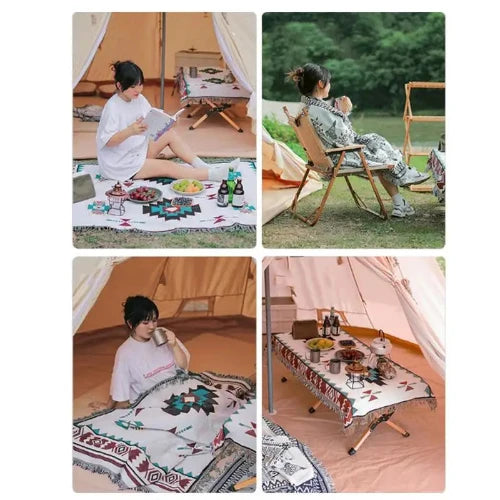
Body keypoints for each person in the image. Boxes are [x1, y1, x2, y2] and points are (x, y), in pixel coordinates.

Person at [288, 63, 430, 218]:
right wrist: (345, 111)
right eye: (329, 82)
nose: (330, 85)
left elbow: (337, 135)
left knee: (375, 140)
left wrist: (339, 113)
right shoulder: (319, 111)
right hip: (340, 157)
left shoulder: (305, 108)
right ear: (321, 84)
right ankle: (404, 179)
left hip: (323, 157)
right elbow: (346, 139)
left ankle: (401, 201)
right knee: (382, 155)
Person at [97, 60, 238, 183]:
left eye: (140, 85)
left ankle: (203, 166)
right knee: (168, 167)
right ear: (120, 86)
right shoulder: (112, 107)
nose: (138, 89)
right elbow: (108, 141)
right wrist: (131, 130)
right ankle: (213, 175)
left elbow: (150, 120)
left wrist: (167, 122)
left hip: (137, 151)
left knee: (170, 134)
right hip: (121, 164)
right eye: (133, 86)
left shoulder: (139, 99)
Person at [106, 295, 189, 409]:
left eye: (154, 321)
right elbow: (119, 387)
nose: (151, 327)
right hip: (152, 401)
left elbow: (183, 367)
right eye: (145, 323)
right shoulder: (125, 352)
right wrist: (108, 408)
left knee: (212, 405)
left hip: (178, 390)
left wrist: (174, 345)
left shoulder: (162, 335)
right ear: (130, 324)